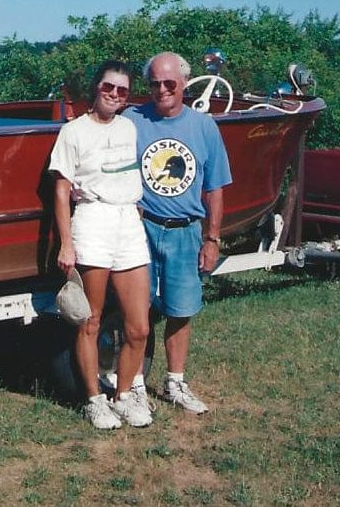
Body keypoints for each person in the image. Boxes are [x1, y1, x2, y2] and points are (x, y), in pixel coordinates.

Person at [123, 51, 232, 414]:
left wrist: (211, 239)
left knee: (180, 310)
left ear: (184, 83)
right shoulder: (132, 119)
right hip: (142, 231)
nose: (162, 90)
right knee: (138, 312)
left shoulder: (204, 127)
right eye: (154, 83)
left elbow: (215, 188)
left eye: (170, 83)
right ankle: (136, 385)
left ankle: (175, 382)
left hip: (186, 233)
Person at [49, 60, 153, 430]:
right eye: (109, 87)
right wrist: (66, 244)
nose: (114, 95)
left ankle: (124, 395)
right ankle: (94, 400)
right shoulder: (73, 132)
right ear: (97, 88)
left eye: (122, 91)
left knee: (138, 326)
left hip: (127, 221)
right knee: (89, 321)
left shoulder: (129, 128)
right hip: (92, 220)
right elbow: (61, 190)